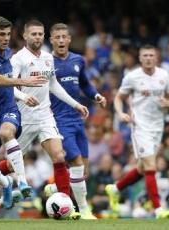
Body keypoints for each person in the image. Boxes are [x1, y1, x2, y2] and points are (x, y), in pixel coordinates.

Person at [0, 20, 88, 219]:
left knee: (60, 156)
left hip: (46, 116)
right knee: (11, 165)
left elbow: (53, 85)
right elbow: (7, 84)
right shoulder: (18, 59)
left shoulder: (47, 57)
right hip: (24, 118)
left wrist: (75, 104)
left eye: (40, 34)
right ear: (25, 36)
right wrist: (22, 96)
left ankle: (66, 205)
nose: (37, 37)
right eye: (33, 34)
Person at [0, 16, 47, 208]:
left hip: (8, 108)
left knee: (6, 132)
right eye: (1, 34)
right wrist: (23, 82)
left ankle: (22, 181)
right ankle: (6, 184)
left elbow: (0, 77)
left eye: (8, 34)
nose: (6, 38)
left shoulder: (7, 52)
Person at [43, 23, 107, 219]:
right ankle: (83, 210)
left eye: (64, 37)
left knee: (83, 170)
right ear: (52, 40)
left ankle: (55, 186)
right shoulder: (46, 62)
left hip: (77, 120)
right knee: (77, 163)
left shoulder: (78, 60)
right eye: (57, 37)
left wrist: (96, 96)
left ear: (69, 39)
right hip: (59, 120)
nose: (61, 40)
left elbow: (85, 84)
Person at [105, 44, 169, 219]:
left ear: (157, 57)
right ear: (140, 58)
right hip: (140, 127)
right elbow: (118, 98)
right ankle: (158, 209)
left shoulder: (164, 75)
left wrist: (168, 103)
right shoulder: (132, 77)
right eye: (145, 55)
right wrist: (121, 112)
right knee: (151, 166)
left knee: (143, 168)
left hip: (157, 126)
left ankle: (115, 189)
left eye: (151, 55)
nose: (148, 58)